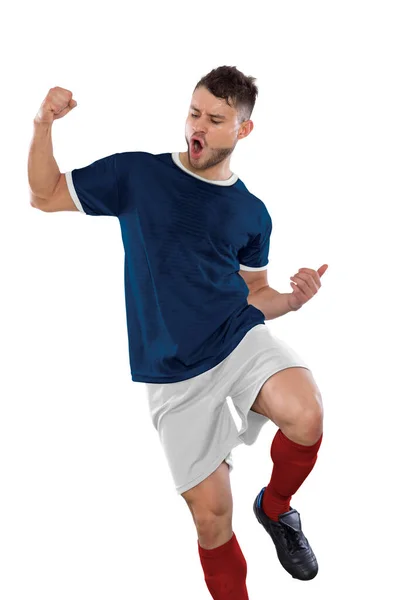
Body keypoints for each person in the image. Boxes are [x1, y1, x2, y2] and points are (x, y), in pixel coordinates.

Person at [28, 65, 328, 599]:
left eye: (216, 119)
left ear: (242, 131)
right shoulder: (137, 175)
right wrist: (44, 124)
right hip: (171, 372)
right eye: (194, 113)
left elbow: (254, 294)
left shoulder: (251, 212)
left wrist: (291, 300)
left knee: (307, 414)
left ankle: (277, 509)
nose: (200, 127)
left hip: (236, 340)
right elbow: (45, 194)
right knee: (213, 520)